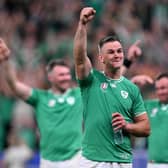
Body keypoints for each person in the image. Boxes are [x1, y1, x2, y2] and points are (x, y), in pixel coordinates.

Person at [73, 7, 150, 168]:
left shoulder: (131, 89)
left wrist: (127, 126)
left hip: (122, 161)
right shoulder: (91, 80)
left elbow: (145, 128)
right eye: (111, 52)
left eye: (119, 51)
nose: (117, 54)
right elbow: (80, 59)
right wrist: (82, 25)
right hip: (91, 161)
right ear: (101, 58)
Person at [0, 39, 83, 168]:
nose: (66, 77)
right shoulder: (40, 97)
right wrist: (6, 61)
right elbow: (14, 86)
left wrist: (126, 64)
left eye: (67, 74)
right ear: (50, 77)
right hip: (48, 161)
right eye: (61, 75)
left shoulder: (78, 95)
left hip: (75, 159)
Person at [131, 73, 168, 168]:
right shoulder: (150, 105)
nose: (160, 92)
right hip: (152, 164)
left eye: (163, 88)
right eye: (158, 89)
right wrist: (133, 84)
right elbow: (128, 104)